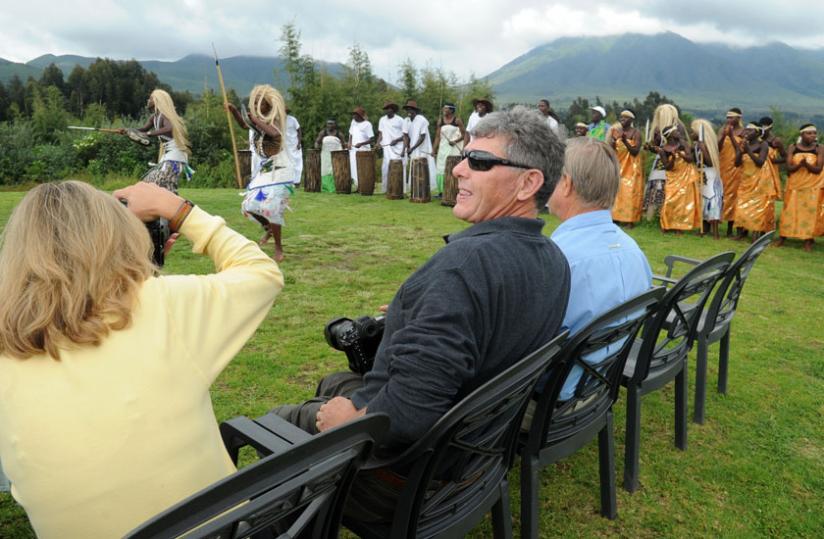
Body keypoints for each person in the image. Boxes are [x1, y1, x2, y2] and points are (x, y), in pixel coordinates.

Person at [272, 106, 570, 523]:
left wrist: (351, 418)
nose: (458, 170)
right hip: (476, 454)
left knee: (274, 423)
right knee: (333, 383)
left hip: (410, 479)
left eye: (479, 162)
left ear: (528, 183)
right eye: (464, 157)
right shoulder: (552, 259)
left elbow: (408, 415)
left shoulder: (462, 270)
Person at [0, 180, 282, 539]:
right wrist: (180, 211)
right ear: (115, 235)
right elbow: (262, 273)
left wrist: (139, 266)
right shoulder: (163, 305)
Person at [545, 137, 652, 400]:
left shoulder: (556, 259)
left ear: (567, 184)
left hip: (554, 394)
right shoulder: (634, 252)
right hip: (600, 380)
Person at [226, 84, 293, 262]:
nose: (256, 106)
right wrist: (233, 110)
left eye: (259, 103)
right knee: (249, 205)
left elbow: (274, 134)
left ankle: (279, 248)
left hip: (280, 171)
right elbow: (243, 124)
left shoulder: (274, 121)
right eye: (254, 103)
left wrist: (255, 119)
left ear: (268, 105)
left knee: (271, 207)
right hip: (265, 172)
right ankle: (269, 229)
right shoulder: (257, 123)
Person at [121, 88, 192, 194]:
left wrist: (149, 134)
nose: (148, 100)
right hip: (168, 158)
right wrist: (127, 131)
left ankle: (182, 208)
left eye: (150, 98)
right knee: (148, 184)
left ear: (157, 101)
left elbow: (169, 128)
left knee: (166, 188)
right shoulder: (154, 117)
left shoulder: (164, 115)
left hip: (175, 159)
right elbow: (143, 129)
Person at [777, 124, 824, 251]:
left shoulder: (819, 148)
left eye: (814, 133)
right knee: (789, 210)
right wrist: (800, 165)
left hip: (811, 186)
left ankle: (808, 240)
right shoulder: (793, 147)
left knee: (809, 213)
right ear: (802, 134)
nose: (813, 135)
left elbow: (818, 169)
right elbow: (789, 168)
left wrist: (806, 165)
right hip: (794, 185)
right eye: (809, 133)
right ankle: (783, 236)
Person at [733, 122, 776, 241]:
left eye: (749, 131)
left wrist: (748, 151)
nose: (746, 133)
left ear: (757, 132)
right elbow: (736, 163)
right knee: (741, 205)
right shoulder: (743, 144)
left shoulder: (763, 145)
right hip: (745, 179)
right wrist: (741, 151)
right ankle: (740, 232)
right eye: (745, 130)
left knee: (758, 207)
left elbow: (760, 162)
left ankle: (756, 235)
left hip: (760, 180)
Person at [644, 104, 688, 220]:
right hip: (660, 162)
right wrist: (651, 147)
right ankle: (653, 215)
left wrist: (666, 152)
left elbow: (680, 147)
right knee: (656, 185)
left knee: (667, 187)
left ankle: (669, 216)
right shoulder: (659, 128)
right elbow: (658, 148)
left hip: (674, 163)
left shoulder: (678, 128)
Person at [656, 125, 702, 233]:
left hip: (685, 175)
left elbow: (690, 159)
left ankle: (679, 227)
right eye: (675, 131)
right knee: (669, 201)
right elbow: (667, 167)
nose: (678, 132)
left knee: (682, 202)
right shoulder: (663, 149)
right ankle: (667, 225)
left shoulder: (683, 144)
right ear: (670, 135)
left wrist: (681, 155)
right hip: (672, 177)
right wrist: (672, 158)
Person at [608, 110, 644, 227]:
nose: (622, 120)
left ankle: (629, 220)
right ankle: (616, 218)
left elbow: (635, 151)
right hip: (619, 165)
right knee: (618, 192)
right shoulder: (617, 132)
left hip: (631, 168)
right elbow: (614, 150)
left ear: (631, 120)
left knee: (630, 193)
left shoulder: (636, 133)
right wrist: (613, 142)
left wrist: (624, 141)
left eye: (625, 118)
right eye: (621, 118)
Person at [691, 119, 724, 239]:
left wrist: (703, 150)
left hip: (711, 176)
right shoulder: (695, 146)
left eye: (692, 132)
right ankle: (703, 228)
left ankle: (715, 232)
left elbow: (711, 162)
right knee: (703, 202)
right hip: (701, 175)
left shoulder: (708, 146)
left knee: (713, 202)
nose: (691, 135)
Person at [718, 107, 745, 236]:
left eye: (732, 117)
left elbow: (741, 150)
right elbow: (717, 148)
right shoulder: (722, 130)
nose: (729, 120)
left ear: (739, 118)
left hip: (736, 168)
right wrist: (724, 136)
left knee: (733, 197)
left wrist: (732, 136)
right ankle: (716, 222)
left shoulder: (744, 132)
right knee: (721, 195)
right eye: (727, 117)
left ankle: (731, 228)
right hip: (723, 167)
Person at [402, 99, 437, 192]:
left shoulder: (422, 120)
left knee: (423, 168)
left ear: (415, 110)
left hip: (423, 148)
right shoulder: (406, 121)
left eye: (411, 109)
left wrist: (412, 148)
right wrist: (406, 148)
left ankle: (424, 190)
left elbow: (422, 137)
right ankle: (415, 189)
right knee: (414, 168)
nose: (409, 111)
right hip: (413, 148)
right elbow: (405, 136)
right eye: (407, 109)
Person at [432, 102, 466, 194]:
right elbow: (437, 137)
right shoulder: (440, 121)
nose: (444, 110)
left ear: (451, 110)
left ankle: (452, 191)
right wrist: (434, 149)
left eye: (446, 108)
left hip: (453, 148)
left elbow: (464, 135)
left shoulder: (457, 120)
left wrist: (455, 141)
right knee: (441, 168)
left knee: (451, 168)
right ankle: (441, 192)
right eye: (443, 108)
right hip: (443, 148)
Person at [376, 102, 406, 193]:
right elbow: (381, 133)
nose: (387, 110)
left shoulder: (400, 120)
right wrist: (378, 143)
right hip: (387, 149)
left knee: (398, 168)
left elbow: (405, 135)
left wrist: (397, 140)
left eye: (389, 108)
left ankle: (401, 189)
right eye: (386, 109)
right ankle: (386, 189)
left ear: (393, 110)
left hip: (398, 148)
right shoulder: (382, 120)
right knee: (385, 168)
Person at [315, 119, 345, 193]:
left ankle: (336, 187)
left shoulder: (339, 134)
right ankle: (325, 188)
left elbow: (344, 144)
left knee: (336, 170)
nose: (329, 125)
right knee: (325, 170)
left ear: (335, 125)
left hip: (336, 154)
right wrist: (317, 146)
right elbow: (317, 142)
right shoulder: (323, 133)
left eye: (331, 124)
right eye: (328, 124)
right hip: (325, 154)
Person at [348, 106, 375, 189]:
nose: (353, 116)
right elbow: (351, 134)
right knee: (354, 168)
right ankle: (357, 186)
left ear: (360, 116)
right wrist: (349, 143)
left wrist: (361, 144)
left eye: (355, 115)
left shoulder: (367, 124)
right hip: (353, 150)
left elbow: (372, 139)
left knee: (363, 169)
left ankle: (364, 186)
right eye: (353, 115)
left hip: (363, 151)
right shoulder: (353, 122)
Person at [285, 108, 303, 187]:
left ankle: (297, 182)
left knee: (297, 163)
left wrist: (299, 142)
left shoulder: (293, 119)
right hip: (285, 146)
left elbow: (299, 130)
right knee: (287, 163)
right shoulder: (278, 120)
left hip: (294, 145)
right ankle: (288, 182)